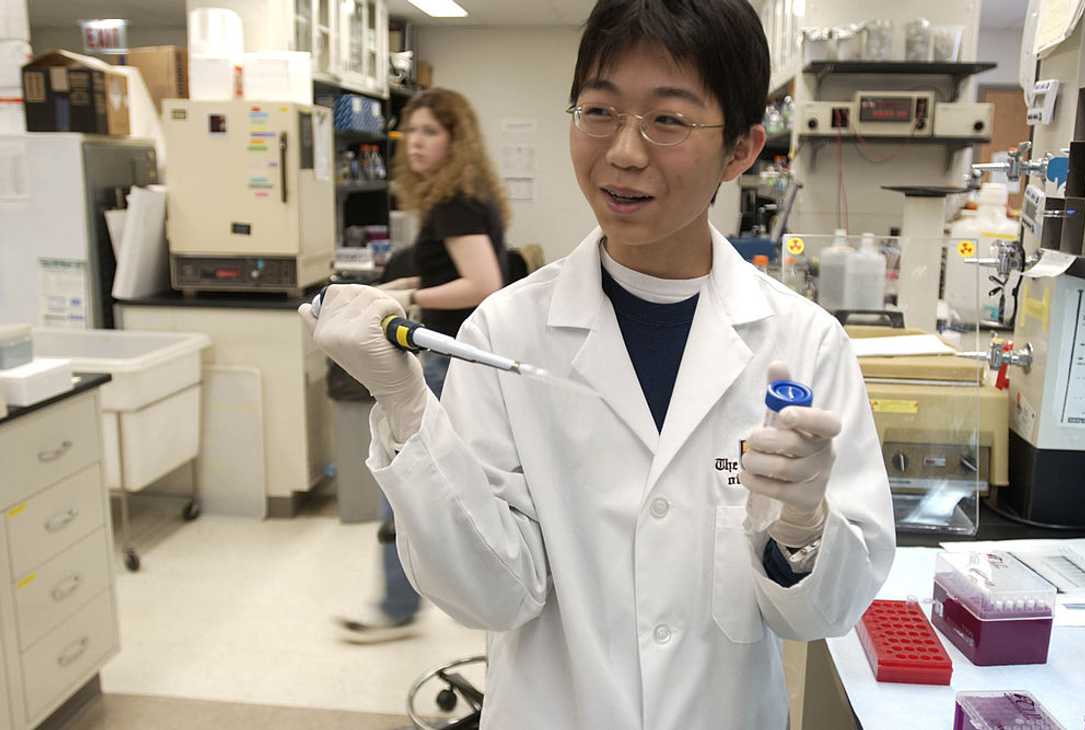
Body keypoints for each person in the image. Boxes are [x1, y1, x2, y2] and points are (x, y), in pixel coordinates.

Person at [301, 0, 895, 726]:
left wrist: (803, 528)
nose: (623, 151)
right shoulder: (508, 331)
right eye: (599, 111)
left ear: (741, 149)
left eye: (668, 120)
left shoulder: (805, 343)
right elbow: (488, 595)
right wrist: (408, 411)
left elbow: (823, 613)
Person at [333, 88, 509, 644]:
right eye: (410, 131)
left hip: (443, 361)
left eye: (430, 131)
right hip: (453, 356)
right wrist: (395, 288)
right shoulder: (459, 199)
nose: (415, 142)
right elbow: (447, 276)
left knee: (407, 483)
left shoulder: (455, 205)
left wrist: (408, 303)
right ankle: (410, 600)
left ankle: (397, 606)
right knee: (434, 483)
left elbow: (484, 284)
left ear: (456, 140)